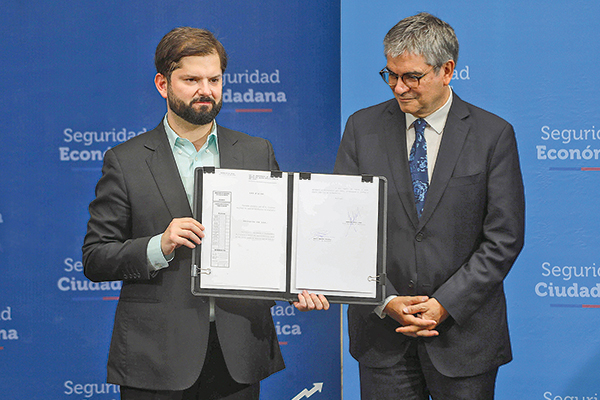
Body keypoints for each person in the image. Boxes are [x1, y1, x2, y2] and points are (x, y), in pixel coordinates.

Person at [82, 27, 328, 400]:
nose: (206, 90)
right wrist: (158, 245)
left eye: (214, 79)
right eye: (191, 79)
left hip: (237, 352)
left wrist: (296, 284)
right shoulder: (126, 160)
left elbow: (280, 240)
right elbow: (95, 258)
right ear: (163, 84)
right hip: (157, 357)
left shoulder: (255, 152)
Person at [334, 13, 525, 400]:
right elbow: (342, 225)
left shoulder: (493, 135)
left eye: (411, 77)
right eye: (390, 75)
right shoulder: (361, 127)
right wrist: (385, 300)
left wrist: (444, 304)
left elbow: (503, 237)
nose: (399, 87)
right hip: (382, 339)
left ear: (447, 70)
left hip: (464, 339)